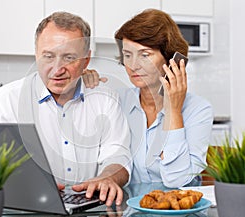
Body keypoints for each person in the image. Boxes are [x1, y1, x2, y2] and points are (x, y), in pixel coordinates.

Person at [0, 11, 132, 206]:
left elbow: (118, 154)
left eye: (69, 57)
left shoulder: (106, 99)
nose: (57, 69)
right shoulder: (4, 102)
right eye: (48, 56)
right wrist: (26, 183)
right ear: (36, 54)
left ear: (86, 60)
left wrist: (109, 177)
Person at [83, 9, 214, 188]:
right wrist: (80, 84)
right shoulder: (118, 101)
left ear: (171, 60)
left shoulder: (198, 110)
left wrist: (174, 111)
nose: (133, 65)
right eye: (127, 55)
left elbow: (176, 180)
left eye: (145, 55)